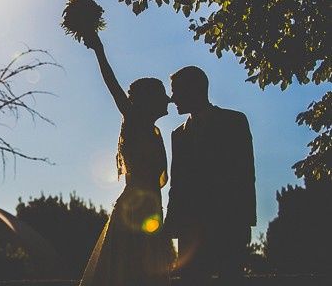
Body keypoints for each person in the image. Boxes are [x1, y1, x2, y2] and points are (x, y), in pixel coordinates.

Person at [79, 32, 172, 286]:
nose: (169, 100)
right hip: (134, 212)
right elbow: (113, 85)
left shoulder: (154, 131)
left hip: (150, 211)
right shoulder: (135, 121)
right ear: (148, 101)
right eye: (162, 95)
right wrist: (99, 49)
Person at [165, 66, 256, 286]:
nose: (172, 98)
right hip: (190, 230)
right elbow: (177, 183)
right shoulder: (177, 134)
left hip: (229, 223)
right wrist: (171, 225)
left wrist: (245, 220)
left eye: (176, 91)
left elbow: (245, 173)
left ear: (194, 90)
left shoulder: (234, 122)